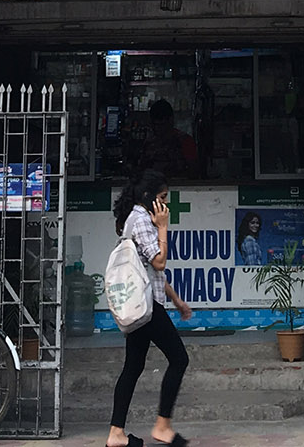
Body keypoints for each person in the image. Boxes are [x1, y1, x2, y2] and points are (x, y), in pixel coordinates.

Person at [108, 168, 193, 447]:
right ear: (149, 198)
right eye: (163, 198)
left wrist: (177, 300)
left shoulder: (135, 218)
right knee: (179, 358)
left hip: (145, 302)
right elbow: (158, 262)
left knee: (133, 365)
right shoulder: (143, 220)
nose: (166, 204)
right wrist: (164, 227)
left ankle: (116, 434)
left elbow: (148, 271)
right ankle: (162, 425)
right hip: (147, 307)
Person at [142, 99, 198, 177]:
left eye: (162, 125)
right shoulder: (148, 143)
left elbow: (194, 171)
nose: (158, 129)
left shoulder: (185, 141)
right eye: (155, 125)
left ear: (171, 121)